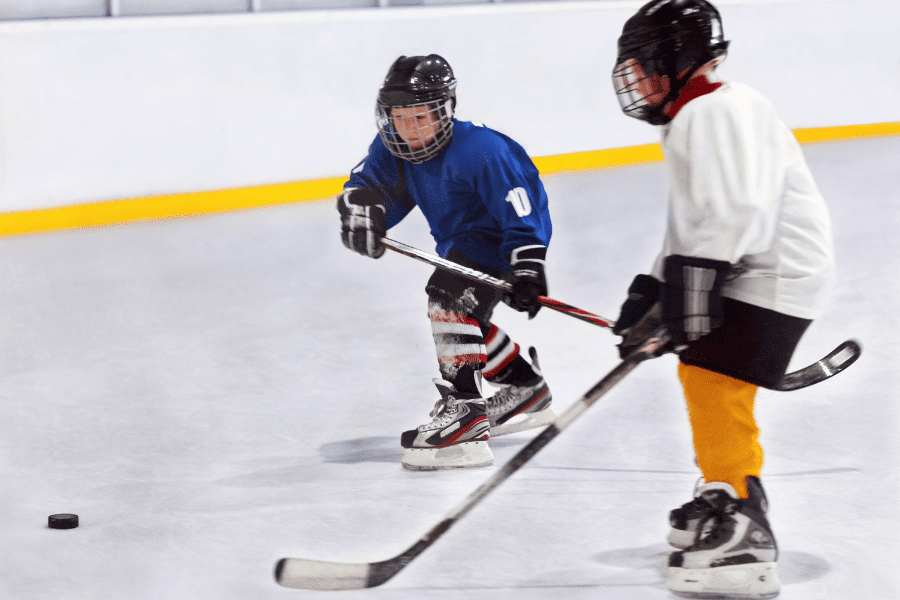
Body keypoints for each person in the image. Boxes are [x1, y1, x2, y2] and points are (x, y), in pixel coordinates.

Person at [609, 1, 834, 598]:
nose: (635, 81)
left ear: (676, 63)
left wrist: (693, 284)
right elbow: (695, 220)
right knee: (703, 373)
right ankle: (725, 490)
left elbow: (739, 213)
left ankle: (743, 528)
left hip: (772, 275)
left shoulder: (713, 110)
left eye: (644, 67)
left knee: (713, 376)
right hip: (753, 269)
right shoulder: (696, 114)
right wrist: (656, 289)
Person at [337, 54, 555, 472]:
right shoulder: (391, 148)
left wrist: (526, 265)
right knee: (464, 322)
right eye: (401, 118)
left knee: (448, 299)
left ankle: (466, 413)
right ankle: (525, 387)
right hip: (458, 244)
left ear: (445, 111)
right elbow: (366, 186)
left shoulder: (482, 150)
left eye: (421, 116)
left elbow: (520, 207)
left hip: (498, 241)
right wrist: (363, 213)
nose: (410, 128)